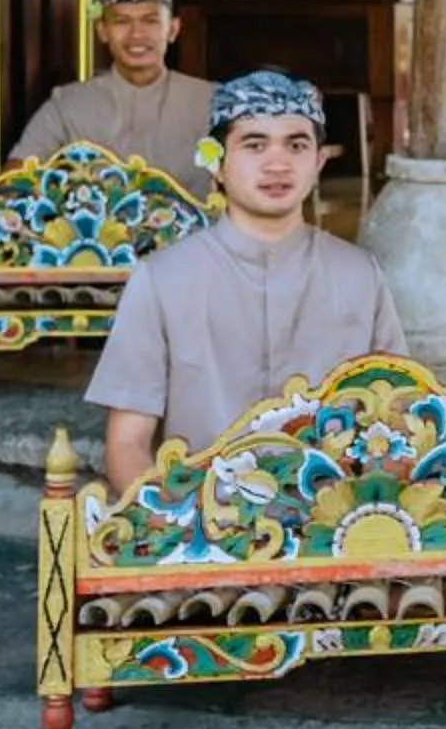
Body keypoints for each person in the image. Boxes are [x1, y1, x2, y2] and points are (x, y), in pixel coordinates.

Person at [85, 68, 405, 495]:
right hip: (203, 524)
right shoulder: (163, 280)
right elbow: (127, 442)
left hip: (333, 524)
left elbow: (402, 415)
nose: (277, 163)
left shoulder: (359, 274)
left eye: (296, 145)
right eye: (254, 145)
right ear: (216, 162)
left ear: (319, 162)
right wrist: (170, 527)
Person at [9, 0, 219, 194]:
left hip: (196, 228)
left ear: (173, 30)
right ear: (103, 31)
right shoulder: (68, 104)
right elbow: (15, 177)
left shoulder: (212, 102)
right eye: (121, 21)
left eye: (150, 21)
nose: (137, 34)